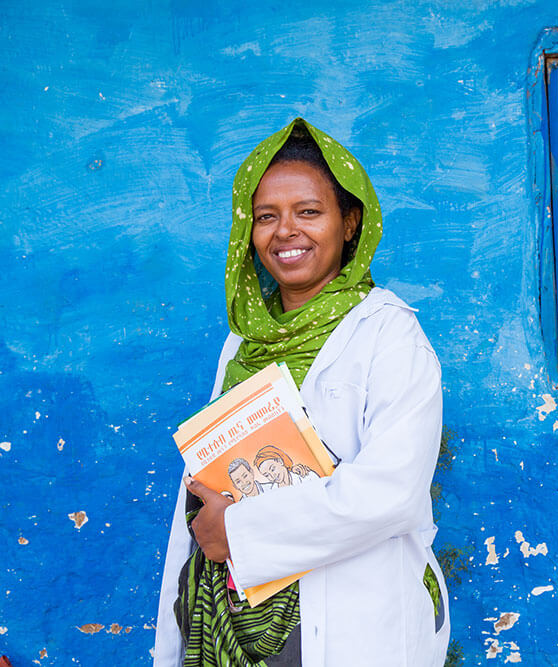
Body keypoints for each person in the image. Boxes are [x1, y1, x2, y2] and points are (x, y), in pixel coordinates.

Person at [154, 118, 449, 666]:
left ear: (350, 222)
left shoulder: (389, 333)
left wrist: (237, 532)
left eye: (308, 212)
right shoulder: (242, 345)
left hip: (348, 624)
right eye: (266, 217)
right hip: (229, 621)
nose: (285, 231)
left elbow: (391, 494)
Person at [253, 445, 319, 489]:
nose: (272, 476)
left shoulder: (306, 475)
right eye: (267, 475)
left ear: (280, 461)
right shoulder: (272, 492)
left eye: (273, 469)